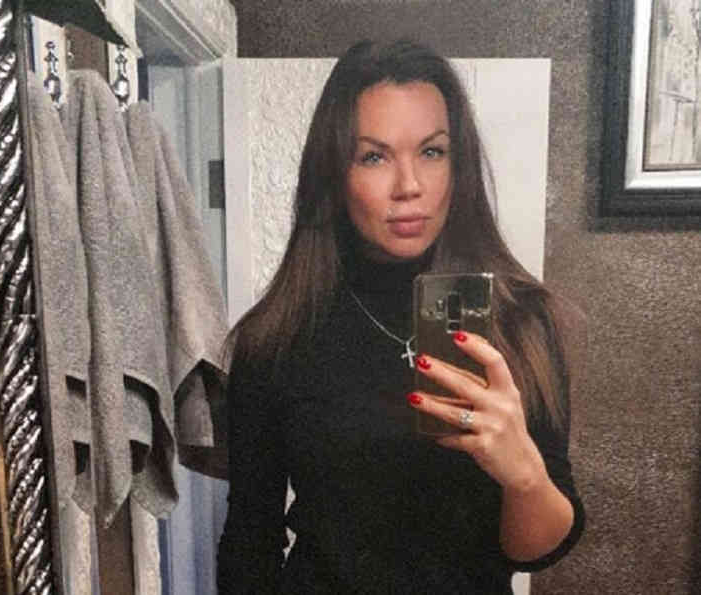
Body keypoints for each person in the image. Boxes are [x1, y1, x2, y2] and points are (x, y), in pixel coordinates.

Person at [217, 39, 584, 594]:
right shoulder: (277, 337)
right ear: (334, 175)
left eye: (432, 152)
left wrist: (524, 473)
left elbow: (536, 550)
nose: (409, 186)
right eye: (374, 157)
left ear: (458, 165)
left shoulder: (519, 323)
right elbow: (251, 538)